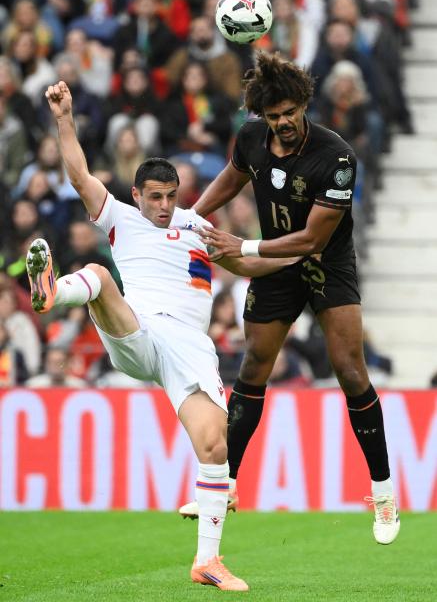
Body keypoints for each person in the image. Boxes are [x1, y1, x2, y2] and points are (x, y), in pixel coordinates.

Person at [26, 80, 298, 591]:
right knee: (99, 278)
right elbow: (80, 174)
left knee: (215, 447)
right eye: (156, 197)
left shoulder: (199, 227)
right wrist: (64, 118)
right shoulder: (120, 219)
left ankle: (207, 563)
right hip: (140, 330)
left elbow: (247, 264)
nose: (165, 206)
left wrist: (297, 254)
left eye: (171, 196)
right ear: (136, 195)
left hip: (189, 350)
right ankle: (49, 293)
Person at [179, 51, 400, 546]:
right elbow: (232, 177)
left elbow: (312, 241)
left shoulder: (337, 157)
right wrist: (188, 218)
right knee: (255, 364)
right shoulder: (252, 138)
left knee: (349, 369)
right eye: (273, 116)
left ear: (304, 104)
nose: (282, 123)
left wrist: (244, 247)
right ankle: (222, 487)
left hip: (325, 264)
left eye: (289, 113)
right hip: (276, 266)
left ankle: (384, 496)